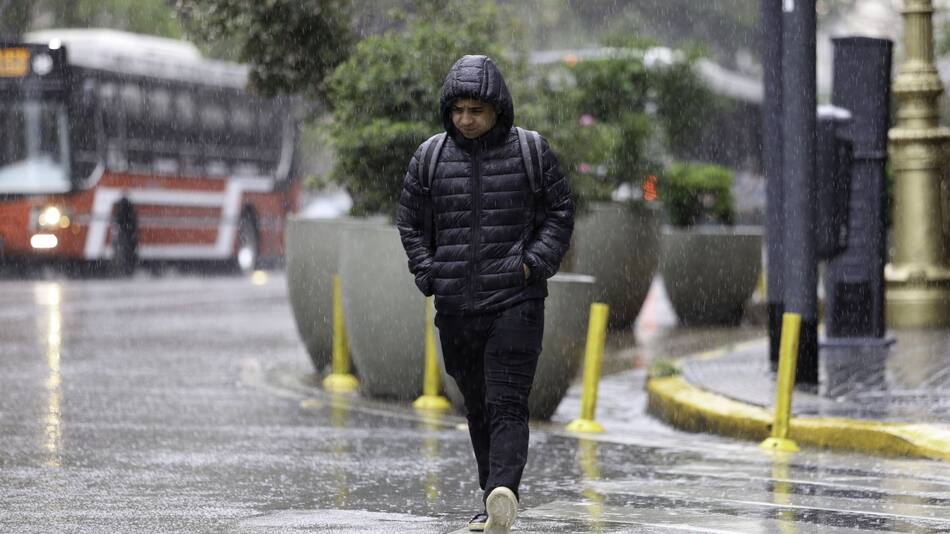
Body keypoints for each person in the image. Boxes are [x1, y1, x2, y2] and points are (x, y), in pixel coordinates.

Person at [396, 55, 574, 533]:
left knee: (507, 402)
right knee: (476, 404)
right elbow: (410, 222)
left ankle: (504, 490)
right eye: (458, 110)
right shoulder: (430, 157)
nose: (465, 119)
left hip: (515, 302)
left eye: (475, 109)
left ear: (497, 109)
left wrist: (531, 264)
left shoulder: (530, 152)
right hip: (455, 308)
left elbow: (560, 212)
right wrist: (429, 272)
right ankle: (492, 496)